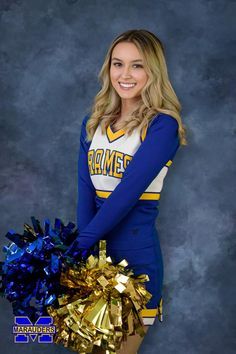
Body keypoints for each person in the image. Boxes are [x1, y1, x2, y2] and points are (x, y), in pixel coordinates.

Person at [67, 29, 187, 354]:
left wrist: (79, 245)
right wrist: (83, 260)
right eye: (118, 64)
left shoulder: (162, 127)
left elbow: (126, 195)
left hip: (137, 264)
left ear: (153, 72)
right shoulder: (93, 123)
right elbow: (85, 191)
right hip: (93, 262)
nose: (125, 74)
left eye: (137, 66)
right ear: (108, 69)